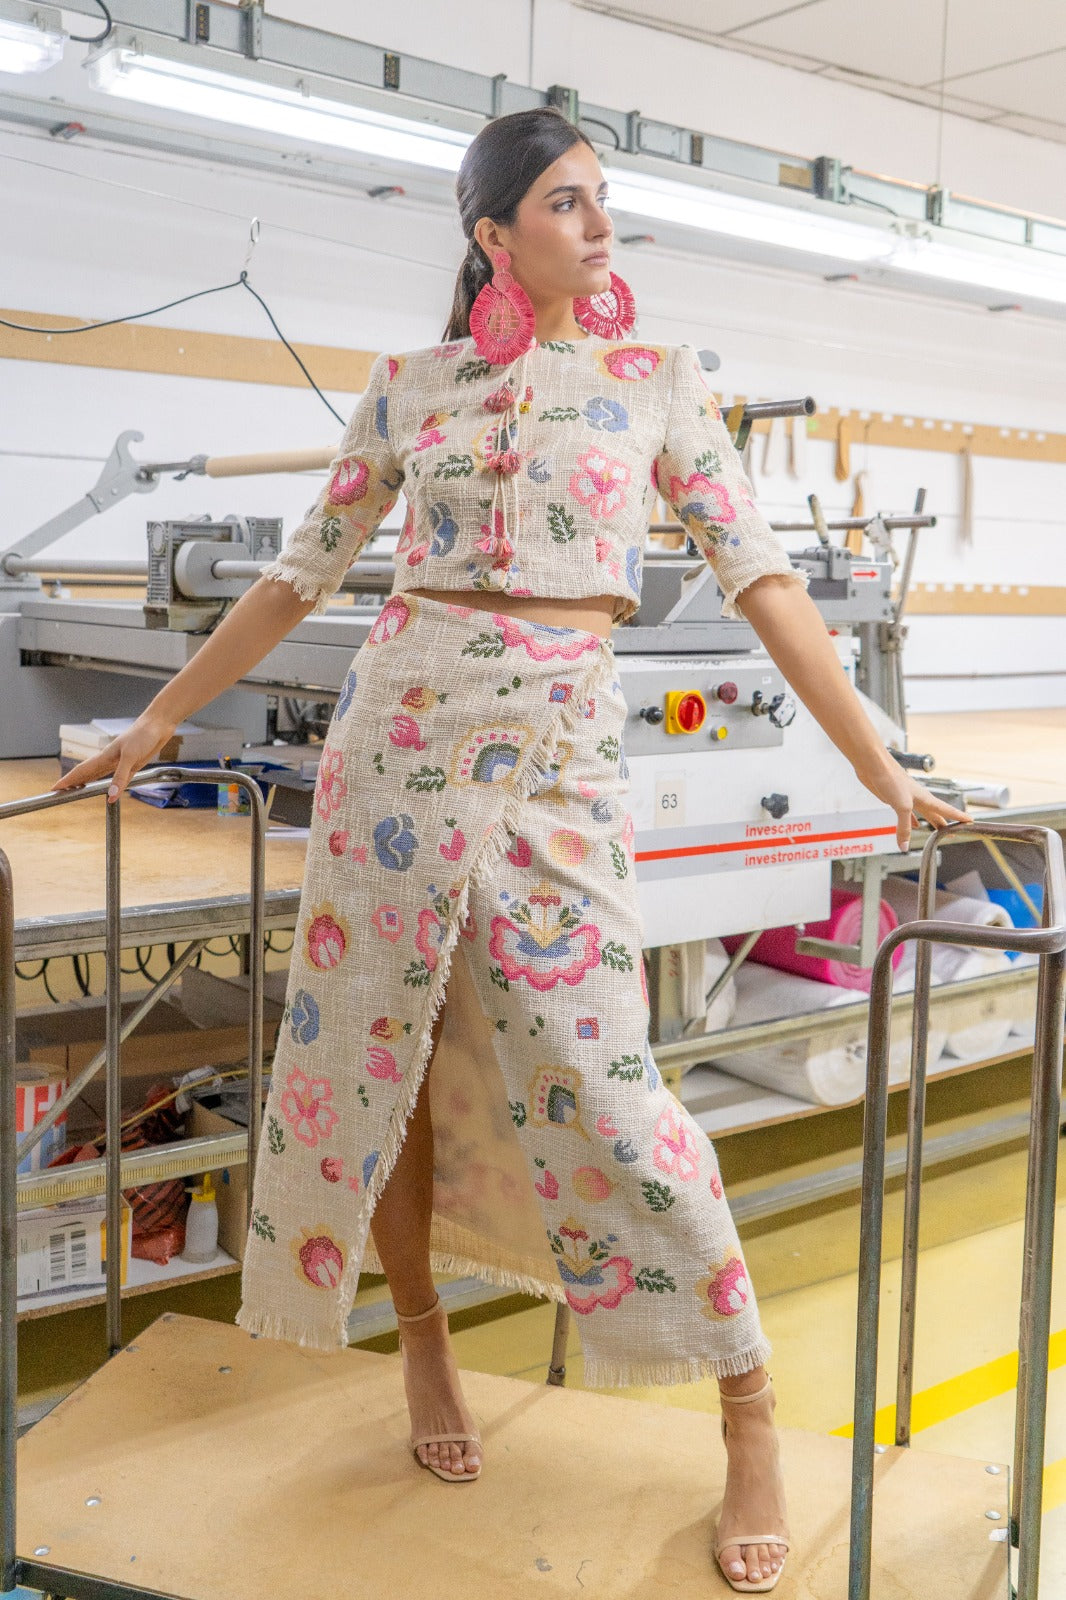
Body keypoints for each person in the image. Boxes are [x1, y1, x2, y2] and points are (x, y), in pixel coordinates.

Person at [54, 106, 967, 1593]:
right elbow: (298, 578)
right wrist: (156, 723)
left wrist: (876, 759)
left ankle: (745, 1400)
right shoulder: (409, 386)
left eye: (603, 199)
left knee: (605, 1079)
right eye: (566, 202)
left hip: (557, 750)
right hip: (394, 742)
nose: (599, 226)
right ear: (493, 235)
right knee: (381, 1061)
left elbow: (761, 578)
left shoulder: (657, 382)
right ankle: (421, 1342)